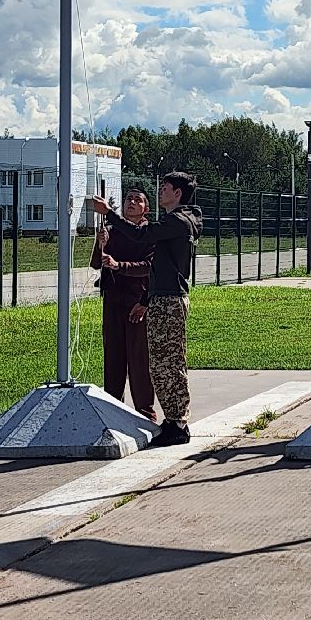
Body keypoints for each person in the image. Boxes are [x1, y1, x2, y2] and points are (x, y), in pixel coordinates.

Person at [88, 171, 203, 448]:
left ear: (178, 193)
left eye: (165, 188)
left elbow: (142, 235)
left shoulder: (178, 221)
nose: (160, 191)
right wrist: (149, 298)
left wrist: (110, 213)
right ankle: (173, 420)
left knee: (168, 364)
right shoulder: (175, 222)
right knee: (160, 364)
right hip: (158, 298)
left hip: (170, 300)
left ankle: (177, 423)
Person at [90, 185, 156, 420]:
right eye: (128, 198)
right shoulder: (110, 230)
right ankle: (113, 408)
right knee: (114, 356)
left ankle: (145, 413)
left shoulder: (150, 233)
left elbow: (150, 267)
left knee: (139, 358)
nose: (132, 202)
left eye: (138, 200)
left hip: (139, 301)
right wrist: (100, 245)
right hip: (113, 299)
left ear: (146, 209)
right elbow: (96, 264)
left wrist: (120, 266)